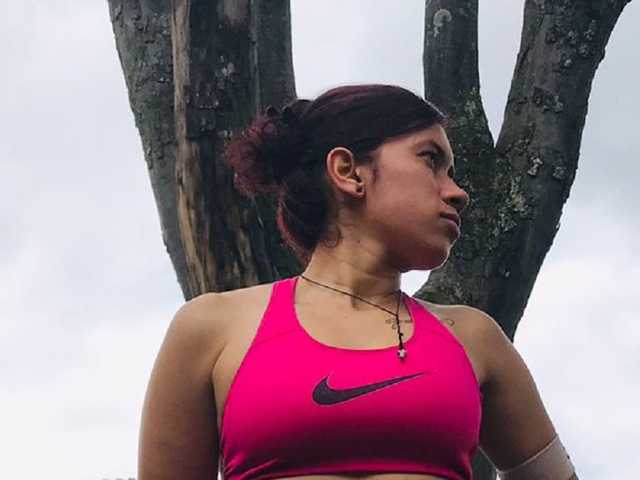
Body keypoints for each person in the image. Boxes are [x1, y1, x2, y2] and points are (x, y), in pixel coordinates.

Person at [137, 84, 577, 480]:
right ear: (348, 171)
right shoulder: (211, 329)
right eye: (431, 160)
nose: (457, 192)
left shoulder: (475, 340)